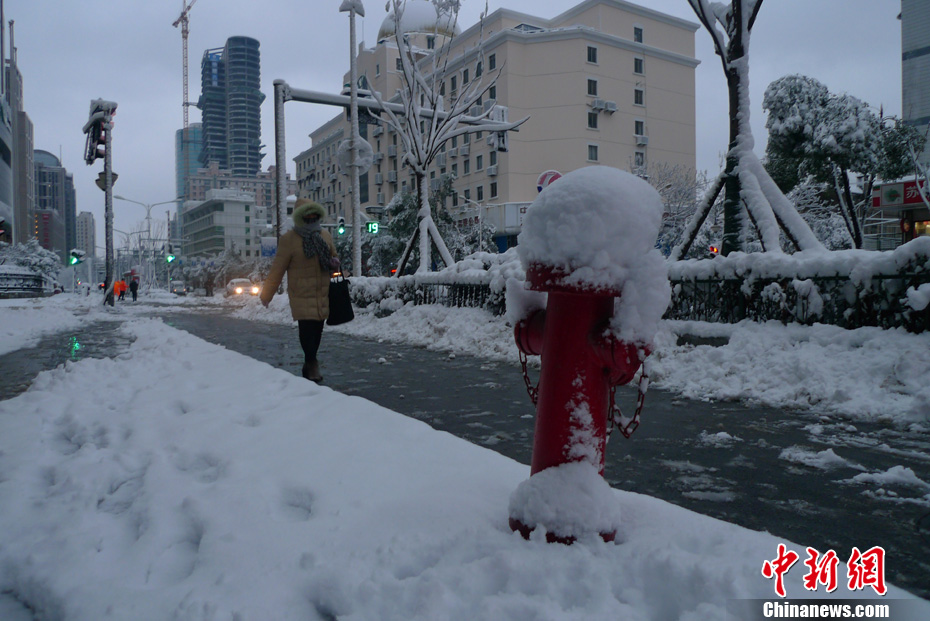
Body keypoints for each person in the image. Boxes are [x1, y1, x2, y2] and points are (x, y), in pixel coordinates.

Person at [260, 199, 338, 383]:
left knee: (317, 330)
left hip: (322, 292)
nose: (311, 220)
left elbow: (333, 255)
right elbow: (277, 268)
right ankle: (312, 363)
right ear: (300, 218)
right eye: (307, 217)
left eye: (314, 216)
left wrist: (334, 262)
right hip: (301, 293)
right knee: (307, 329)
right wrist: (267, 294)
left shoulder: (325, 235)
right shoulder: (289, 240)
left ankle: (309, 362)